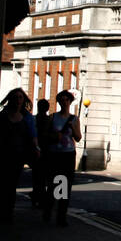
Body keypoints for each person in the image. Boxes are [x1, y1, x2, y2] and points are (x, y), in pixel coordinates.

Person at [0, 88, 37, 224]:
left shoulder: (27, 118)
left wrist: (35, 150)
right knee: (4, 184)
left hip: (18, 156)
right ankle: (4, 210)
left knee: (12, 184)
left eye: (21, 97)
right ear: (11, 99)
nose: (18, 100)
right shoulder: (2, 116)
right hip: (4, 154)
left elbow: (32, 137)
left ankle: (9, 212)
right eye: (16, 97)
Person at [42, 90, 82, 226]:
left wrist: (73, 128)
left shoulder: (74, 119)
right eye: (62, 100)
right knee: (53, 184)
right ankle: (48, 211)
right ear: (58, 102)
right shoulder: (53, 117)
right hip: (54, 155)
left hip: (68, 155)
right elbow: (45, 135)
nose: (64, 102)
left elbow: (78, 137)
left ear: (70, 102)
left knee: (65, 186)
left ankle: (61, 216)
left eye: (67, 100)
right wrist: (54, 135)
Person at [31, 99, 53, 208]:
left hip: (36, 151)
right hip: (47, 151)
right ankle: (43, 198)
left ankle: (36, 197)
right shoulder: (50, 120)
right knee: (45, 177)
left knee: (37, 176)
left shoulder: (34, 119)